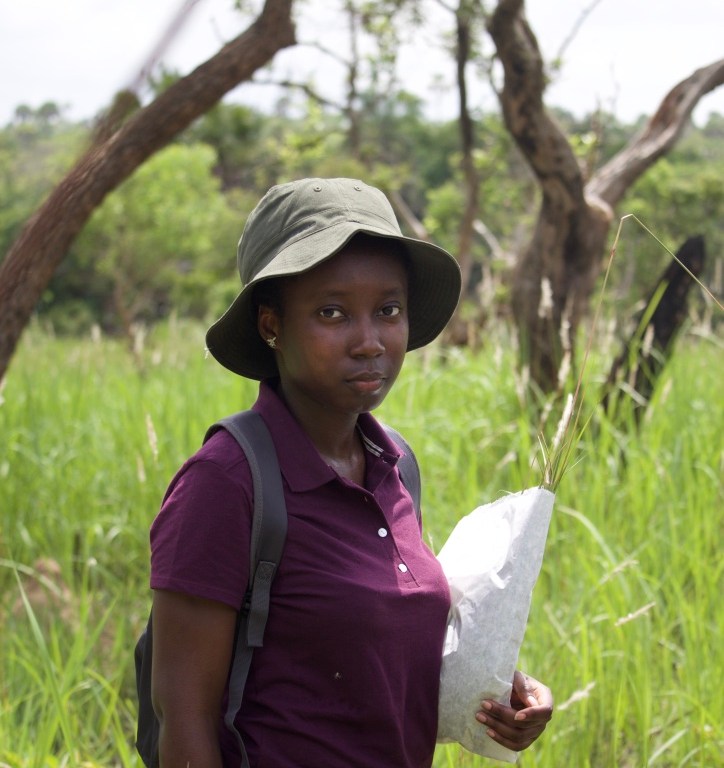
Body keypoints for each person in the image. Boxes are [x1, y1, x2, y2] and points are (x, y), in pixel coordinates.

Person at [149, 177, 553, 767]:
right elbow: (183, 728)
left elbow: (376, 652)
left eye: (388, 310)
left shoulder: (395, 466)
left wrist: (499, 693)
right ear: (271, 325)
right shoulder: (226, 482)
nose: (369, 342)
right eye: (332, 312)